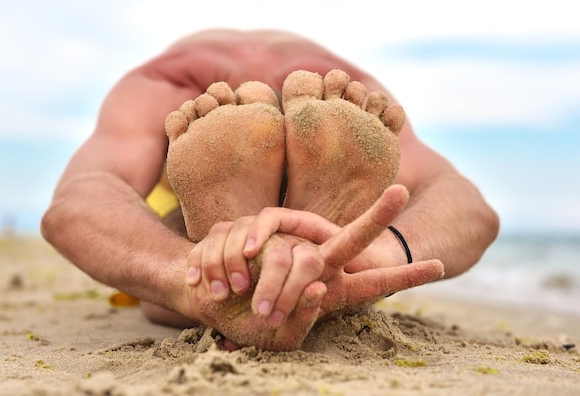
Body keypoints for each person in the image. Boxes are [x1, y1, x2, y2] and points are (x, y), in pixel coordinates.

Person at [41, 29, 499, 350]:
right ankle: (281, 250)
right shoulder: (345, 87)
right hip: (300, 92)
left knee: (170, 247)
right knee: (176, 235)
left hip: (192, 111)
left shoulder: (167, 84)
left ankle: (218, 265)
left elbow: (79, 198)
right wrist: (382, 252)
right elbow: (468, 207)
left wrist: (181, 274)